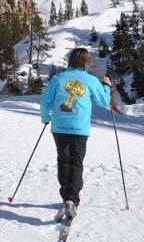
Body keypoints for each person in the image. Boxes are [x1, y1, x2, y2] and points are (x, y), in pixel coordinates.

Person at [40, 47, 111, 220]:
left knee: (63, 160)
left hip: (59, 127)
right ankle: (72, 198)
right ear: (86, 62)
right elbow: (104, 102)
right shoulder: (91, 80)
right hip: (79, 128)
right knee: (76, 162)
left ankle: (67, 197)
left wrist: (45, 118)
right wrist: (107, 86)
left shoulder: (58, 78)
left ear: (70, 61)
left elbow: (45, 100)